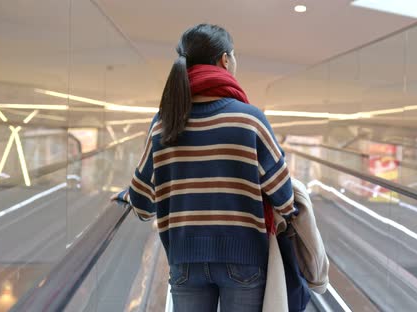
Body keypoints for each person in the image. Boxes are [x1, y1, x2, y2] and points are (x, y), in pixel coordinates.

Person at [111, 24, 296, 311]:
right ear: (225, 59)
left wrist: (128, 194)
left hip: (185, 261)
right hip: (244, 258)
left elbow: (144, 205)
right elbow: (285, 198)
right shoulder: (250, 120)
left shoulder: (164, 123)